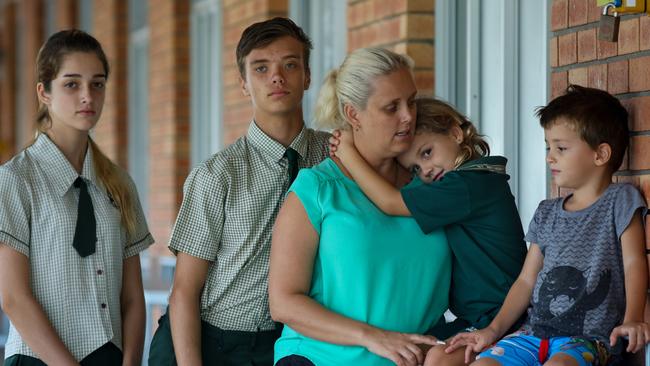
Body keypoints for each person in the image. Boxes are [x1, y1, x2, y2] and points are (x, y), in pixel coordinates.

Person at [147, 17, 330, 366]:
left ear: (307, 76)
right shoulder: (217, 176)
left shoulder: (333, 159)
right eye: (261, 68)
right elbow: (185, 290)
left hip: (295, 343)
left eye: (290, 65)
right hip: (214, 342)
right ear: (244, 84)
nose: (277, 77)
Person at [269, 47, 452, 366]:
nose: (408, 116)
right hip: (320, 358)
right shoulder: (317, 189)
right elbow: (284, 302)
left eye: (411, 101)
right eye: (391, 107)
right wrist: (372, 336)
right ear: (353, 114)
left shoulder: (433, 186)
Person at [446, 85, 650, 366]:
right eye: (548, 147)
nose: (549, 157)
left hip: (587, 339)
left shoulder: (621, 200)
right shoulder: (546, 212)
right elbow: (526, 280)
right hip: (532, 333)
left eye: (561, 148)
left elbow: (634, 263)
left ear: (600, 154)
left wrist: (634, 320)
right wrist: (493, 331)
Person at [329, 97, 528, 365]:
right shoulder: (467, 181)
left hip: (505, 316)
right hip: (476, 316)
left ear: (456, 133)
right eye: (416, 169)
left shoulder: (468, 185)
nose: (427, 170)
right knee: (411, 350)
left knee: (437, 359)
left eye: (427, 153)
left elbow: (390, 202)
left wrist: (348, 153)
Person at [0, 29, 153, 366]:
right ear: (44, 92)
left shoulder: (120, 184)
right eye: (72, 84)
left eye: (97, 84)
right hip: (38, 360)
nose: (88, 96)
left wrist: (129, 362)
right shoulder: (15, 181)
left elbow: (131, 297)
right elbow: (14, 298)